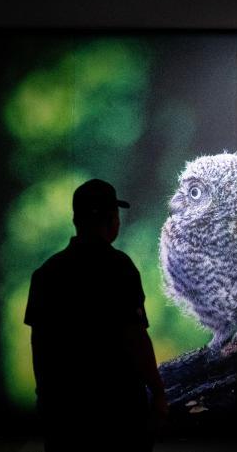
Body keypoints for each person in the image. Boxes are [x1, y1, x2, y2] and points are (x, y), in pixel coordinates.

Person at [24, 179, 168, 451]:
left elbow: (39, 346)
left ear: (75, 219)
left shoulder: (46, 274)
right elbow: (136, 338)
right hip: (120, 413)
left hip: (65, 416)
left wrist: (45, 398)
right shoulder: (120, 268)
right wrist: (159, 393)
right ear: (112, 219)